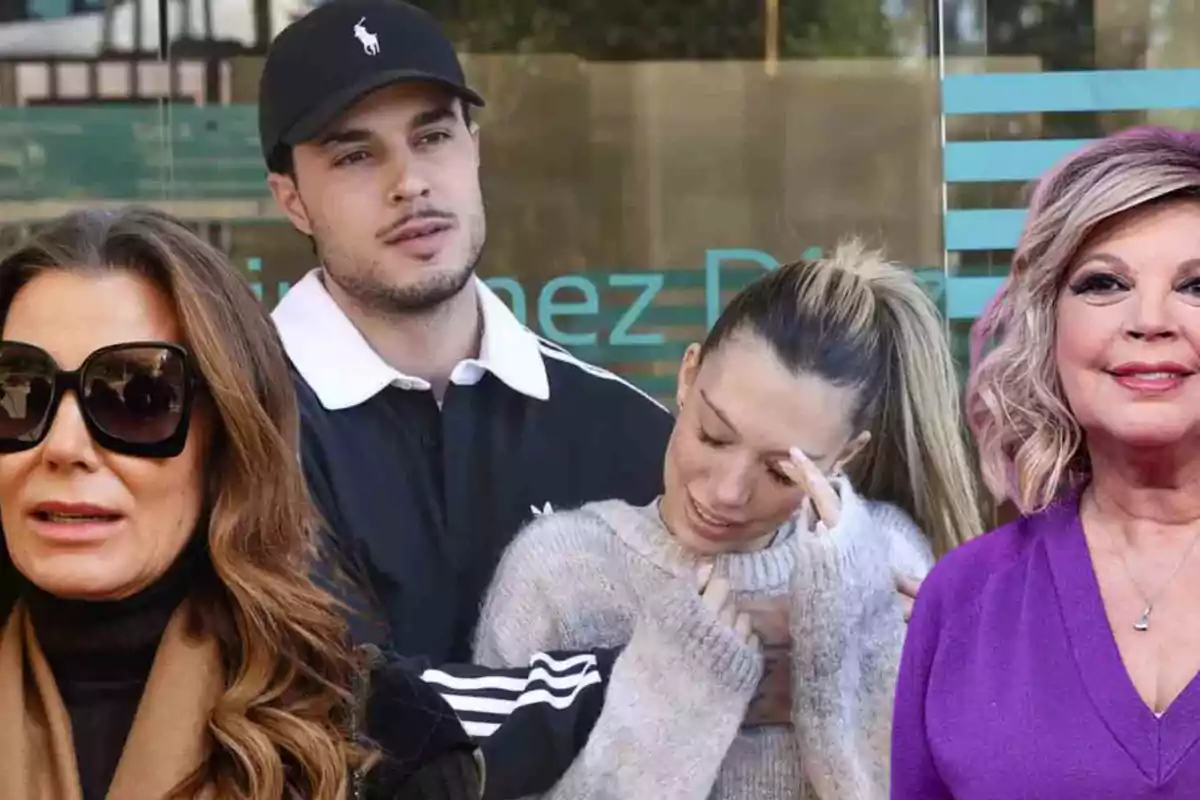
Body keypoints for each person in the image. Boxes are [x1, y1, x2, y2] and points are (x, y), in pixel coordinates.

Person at [257, 1, 673, 792]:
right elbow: (352, 708)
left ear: (473, 150)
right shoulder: (236, 428)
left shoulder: (626, 428)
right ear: (291, 198)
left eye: (433, 136)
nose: (410, 182)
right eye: (354, 156)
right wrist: (676, 669)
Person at [0, 207, 481, 800]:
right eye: (18, 393)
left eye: (138, 397)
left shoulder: (384, 739)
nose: (63, 447)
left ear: (226, 437)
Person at [473, 240, 984, 799]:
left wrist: (848, 650)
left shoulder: (884, 560)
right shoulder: (560, 570)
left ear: (844, 457)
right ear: (688, 376)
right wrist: (671, 693)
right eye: (712, 435)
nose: (728, 491)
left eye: (782, 471)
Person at [891, 126, 1200, 798]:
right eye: (1103, 283)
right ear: (1048, 327)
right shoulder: (963, 599)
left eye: (1197, 285)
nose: (1150, 319)